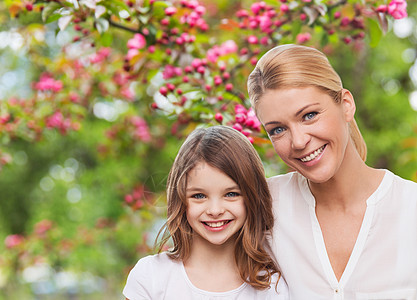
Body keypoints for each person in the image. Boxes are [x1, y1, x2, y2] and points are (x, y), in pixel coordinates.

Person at [247, 44, 417, 300]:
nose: (299, 141)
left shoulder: (410, 207)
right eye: (278, 130)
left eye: (309, 115)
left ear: (346, 104)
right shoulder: (262, 206)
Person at [122, 125, 288, 299]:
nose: (215, 210)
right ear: (180, 200)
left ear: (252, 197)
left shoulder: (272, 288)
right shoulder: (151, 277)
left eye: (231, 194)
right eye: (199, 195)